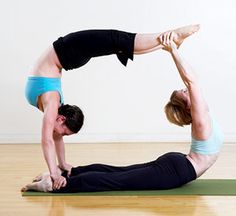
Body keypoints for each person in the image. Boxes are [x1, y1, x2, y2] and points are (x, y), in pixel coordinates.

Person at [22, 27, 223, 193]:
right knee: (117, 177)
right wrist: (170, 48)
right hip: (179, 168)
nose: (186, 89)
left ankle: (63, 177)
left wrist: (172, 49)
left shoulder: (201, 115)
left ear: (190, 106)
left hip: (179, 166)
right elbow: (191, 81)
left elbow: (191, 81)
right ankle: (60, 180)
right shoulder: (202, 117)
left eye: (184, 92)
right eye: (184, 91)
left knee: (116, 175)